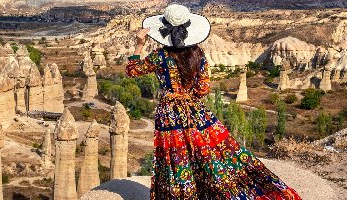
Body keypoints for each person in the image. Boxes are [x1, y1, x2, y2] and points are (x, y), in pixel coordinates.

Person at [126, 4, 302, 200]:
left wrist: (139, 44)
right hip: (196, 111)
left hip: (169, 114)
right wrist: (188, 97)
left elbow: (132, 70)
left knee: (176, 158)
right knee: (213, 153)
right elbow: (203, 89)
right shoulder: (198, 54)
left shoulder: (160, 56)